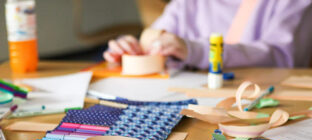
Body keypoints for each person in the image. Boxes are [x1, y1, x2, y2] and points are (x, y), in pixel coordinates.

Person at [104, 0, 312, 69]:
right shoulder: (190, 3)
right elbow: (156, 38)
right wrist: (131, 47)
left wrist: (196, 50)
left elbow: (282, 57)